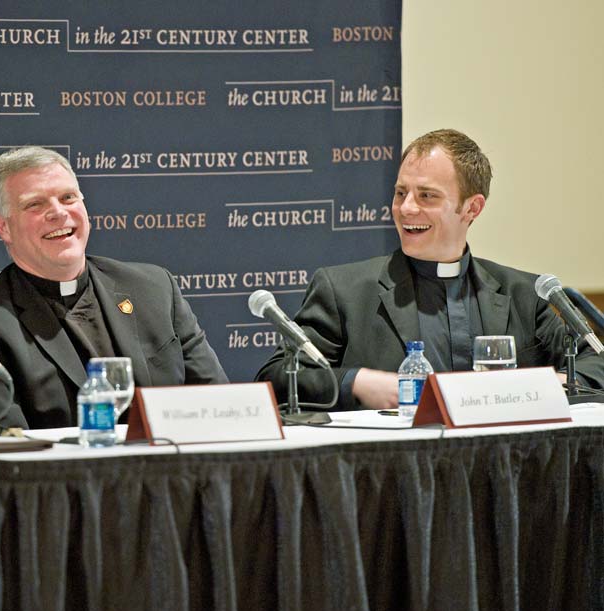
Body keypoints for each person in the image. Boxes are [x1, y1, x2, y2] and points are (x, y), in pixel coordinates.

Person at [255, 128, 604, 410]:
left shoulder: (525, 295)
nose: (406, 208)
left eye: (427, 196)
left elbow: (594, 364)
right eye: (400, 192)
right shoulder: (345, 290)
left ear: (472, 208)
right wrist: (358, 382)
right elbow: (276, 378)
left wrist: (538, 385)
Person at [0, 146, 228, 428]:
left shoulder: (153, 289)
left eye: (68, 198)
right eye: (34, 204)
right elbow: (7, 447)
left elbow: (218, 407)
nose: (57, 212)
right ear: (3, 227)